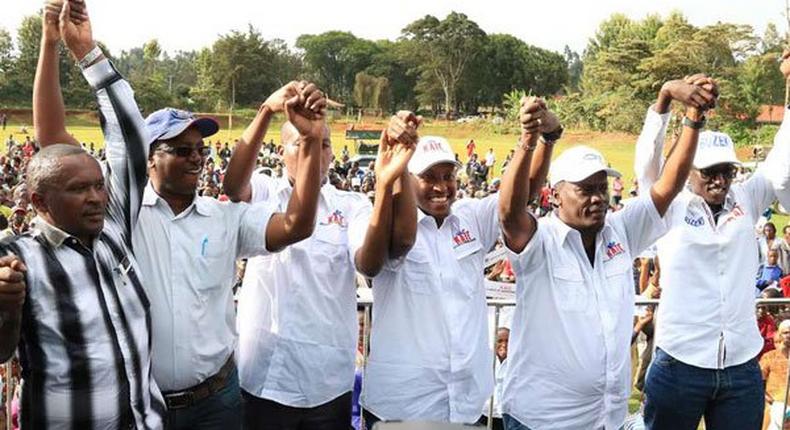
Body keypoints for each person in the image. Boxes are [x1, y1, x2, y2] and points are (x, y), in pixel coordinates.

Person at [36, 2, 329, 429]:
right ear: (147, 160)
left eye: (201, 150)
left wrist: (310, 140)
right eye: (181, 149)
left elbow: (296, 225)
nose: (196, 159)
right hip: (141, 404)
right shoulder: (119, 215)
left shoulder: (224, 218)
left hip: (217, 402)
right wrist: (50, 43)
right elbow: (51, 142)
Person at [498, 84, 706, 429]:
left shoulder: (622, 231)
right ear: (555, 196)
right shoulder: (538, 241)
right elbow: (508, 212)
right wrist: (528, 140)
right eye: (584, 189)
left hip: (605, 418)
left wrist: (693, 118)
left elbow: (668, 185)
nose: (596, 198)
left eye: (601, 189)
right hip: (542, 420)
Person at [0, 4, 167, 427]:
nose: (96, 197)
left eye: (99, 185)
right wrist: (7, 309)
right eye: (79, 190)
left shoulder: (114, 228)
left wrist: (88, 53)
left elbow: (131, 139)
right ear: (39, 202)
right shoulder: (16, 259)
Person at [362, 98, 561, 426]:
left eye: (448, 175)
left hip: (466, 403)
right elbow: (376, 258)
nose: (441, 187)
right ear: (406, 177)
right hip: (404, 406)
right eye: (428, 177)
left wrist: (542, 139)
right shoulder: (387, 226)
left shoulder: (471, 218)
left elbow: (522, 192)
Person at [223, 108, 420, 430]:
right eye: (303, 142)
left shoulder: (351, 205)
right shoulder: (263, 190)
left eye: (325, 144)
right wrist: (266, 110)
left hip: (326, 385)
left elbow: (369, 263)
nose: (317, 151)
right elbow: (233, 188)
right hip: (263, 378)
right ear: (281, 151)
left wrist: (384, 185)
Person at [635, 66, 790, 429]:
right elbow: (647, 163)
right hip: (679, 364)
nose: (720, 180)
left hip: (739, 365)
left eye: (727, 171)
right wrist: (664, 98)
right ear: (688, 168)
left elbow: (782, 162)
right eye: (709, 171)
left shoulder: (747, 198)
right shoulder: (669, 204)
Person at [760, 321, 790, 430]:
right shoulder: (769, 357)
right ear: (779, 335)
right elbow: (758, 382)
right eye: (786, 332)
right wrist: (768, 399)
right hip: (774, 407)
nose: (789, 335)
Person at [480, 327, 510, 430]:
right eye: (500, 341)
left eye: (507, 341)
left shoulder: (518, 362)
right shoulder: (486, 360)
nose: (504, 344)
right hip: (487, 415)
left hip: (509, 415)